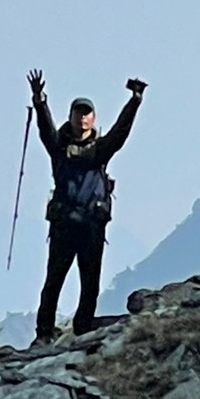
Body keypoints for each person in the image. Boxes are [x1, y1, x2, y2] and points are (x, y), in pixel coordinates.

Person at [29, 68, 146, 344]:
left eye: (87, 113)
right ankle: (44, 332)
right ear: (70, 116)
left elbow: (121, 131)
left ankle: (82, 328)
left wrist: (134, 102)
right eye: (78, 113)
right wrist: (40, 101)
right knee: (54, 280)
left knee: (90, 281)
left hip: (91, 225)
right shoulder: (58, 147)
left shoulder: (101, 149)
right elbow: (45, 130)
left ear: (93, 118)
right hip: (64, 224)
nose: (82, 117)